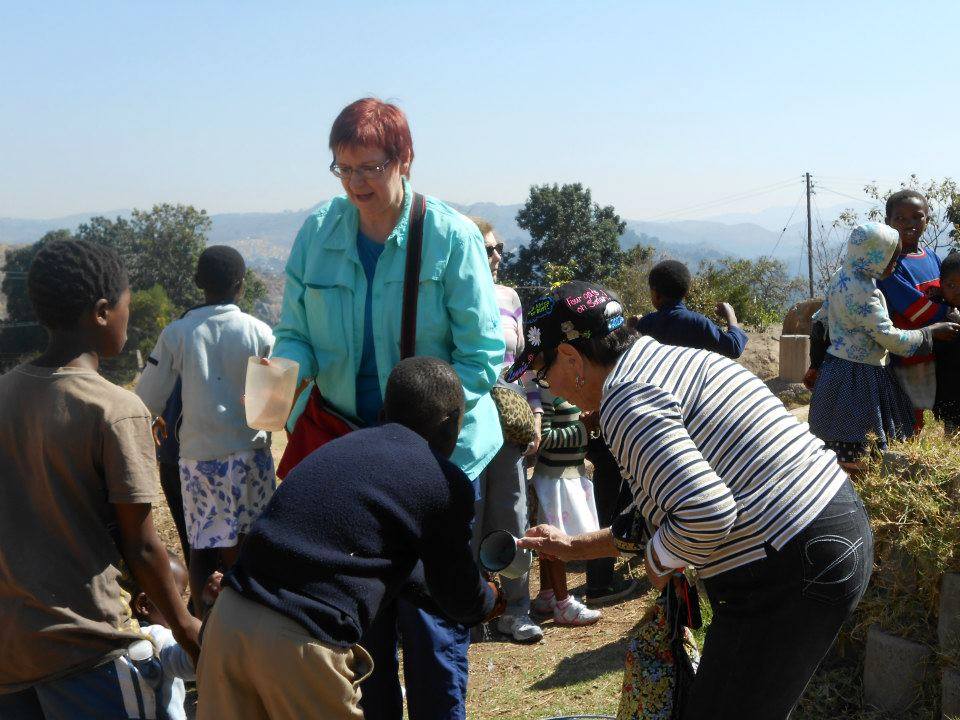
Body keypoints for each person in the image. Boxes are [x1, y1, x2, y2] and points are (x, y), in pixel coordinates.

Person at [508, 280, 875, 720]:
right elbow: (657, 520)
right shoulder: (666, 360)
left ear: (571, 358)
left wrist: (659, 564)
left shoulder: (628, 400)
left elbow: (706, 513)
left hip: (787, 563)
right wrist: (572, 547)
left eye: (544, 373)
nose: (550, 388)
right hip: (829, 529)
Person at [270, 97, 504, 719]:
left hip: (434, 456)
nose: (356, 184)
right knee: (359, 628)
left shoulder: (449, 237)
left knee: (430, 627)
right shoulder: (318, 233)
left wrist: (422, 431)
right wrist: (279, 397)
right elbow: (294, 333)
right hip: (347, 453)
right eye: (343, 169)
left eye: (369, 168)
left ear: (405, 161)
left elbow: (481, 355)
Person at [196, 357, 504, 720]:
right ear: (451, 423)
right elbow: (457, 593)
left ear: (385, 412)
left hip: (227, 625)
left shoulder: (337, 453)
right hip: (299, 641)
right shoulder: (441, 480)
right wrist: (490, 598)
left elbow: (395, 570)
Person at [0, 239, 200, 718]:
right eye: (128, 306)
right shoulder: (115, 409)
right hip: (87, 647)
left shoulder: (4, 394)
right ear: (103, 312)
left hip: (12, 651)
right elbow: (144, 545)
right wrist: (188, 628)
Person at [136, 245, 276, 614]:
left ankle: (205, 640)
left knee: (202, 547)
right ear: (241, 285)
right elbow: (273, 403)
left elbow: (147, 397)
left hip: (199, 459)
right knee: (252, 546)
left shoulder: (178, 333)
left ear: (198, 283)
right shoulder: (259, 331)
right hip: (251, 454)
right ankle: (255, 624)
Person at [807, 223, 959, 466]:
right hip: (860, 377)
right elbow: (889, 338)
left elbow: (820, 321)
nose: (894, 265)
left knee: (836, 442)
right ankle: (860, 489)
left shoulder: (842, 275)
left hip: (836, 370)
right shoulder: (865, 294)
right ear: (872, 256)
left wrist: (816, 363)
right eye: (890, 259)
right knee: (863, 446)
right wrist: (930, 332)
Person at [469, 216, 542, 643]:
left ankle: (516, 609)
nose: (496, 256)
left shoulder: (509, 297)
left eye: (498, 248)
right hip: (465, 420)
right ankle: (472, 609)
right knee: (470, 516)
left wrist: (534, 414)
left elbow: (522, 367)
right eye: (487, 249)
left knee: (512, 511)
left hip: (508, 418)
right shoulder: (448, 297)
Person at [877, 189, 951, 431]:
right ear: (887, 222)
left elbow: (946, 291)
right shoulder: (890, 266)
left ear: (927, 219)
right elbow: (916, 311)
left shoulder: (930, 257)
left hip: (937, 352)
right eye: (900, 218)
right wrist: (950, 312)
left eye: (917, 217)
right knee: (914, 414)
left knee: (938, 410)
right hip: (910, 356)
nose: (910, 224)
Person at [529, 389, 603, 626]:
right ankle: (563, 604)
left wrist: (589, 425)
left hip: (569, 474)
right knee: (554, 537)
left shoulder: (565, 391)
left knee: (552, 531)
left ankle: (547, 594)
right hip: (555, 478)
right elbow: (545, 438)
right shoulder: (547, 394)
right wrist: (583, 427)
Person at [124, 551, 196, 720]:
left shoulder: (112, 637)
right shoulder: (157, 638)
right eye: (177, 599)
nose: (183, 609)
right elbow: (195, 662)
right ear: (144, 605)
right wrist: (206, 606)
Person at [637, 259, 748, 358]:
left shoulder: (646, 323)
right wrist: (731, 316)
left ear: (656, 295)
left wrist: (633, 326)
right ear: (686, 293)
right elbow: (734, 348)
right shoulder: (697, 323)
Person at [934, 252, 960, 431]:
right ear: (940, 286)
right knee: (952, 437)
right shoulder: (937, 310)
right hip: (949, 390)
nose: (958, 291)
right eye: (951, 285)